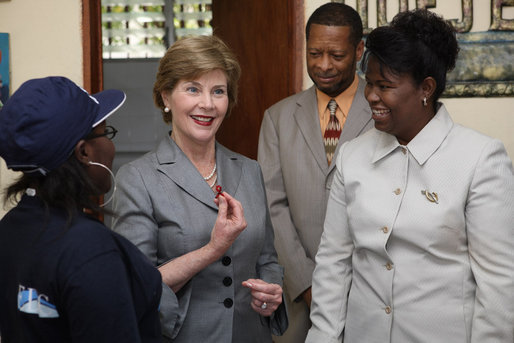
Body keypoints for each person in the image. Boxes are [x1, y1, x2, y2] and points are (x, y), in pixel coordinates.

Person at [306, 9, 514, 342]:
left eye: (385, 86)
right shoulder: (353, 156)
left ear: (426, 89)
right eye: (370, 83)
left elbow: (499, 284)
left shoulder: (480, 159)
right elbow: (334, 263)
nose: (371, 96)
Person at [111, 35, 288, 343]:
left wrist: (271, 293)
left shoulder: (249, 170)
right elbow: (137, 285)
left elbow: (268, 259)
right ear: (166, 96)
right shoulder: (137, 179)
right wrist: (212, 250)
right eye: (193, 88)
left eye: (218, 91)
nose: (207, 104)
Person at [0, 76, 169, 342]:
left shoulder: (11, 228)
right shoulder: (89, 249)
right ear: (84, 152)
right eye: (107, 132)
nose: (111, 146)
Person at [257, 3, 372, 342]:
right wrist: (306, 282)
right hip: (296, 296)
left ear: (359, 50)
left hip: (369, 291)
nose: (323, 66)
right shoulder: (277, 118)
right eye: (315, 53)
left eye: (336, 55)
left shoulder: (385, 110)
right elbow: (271, 205)